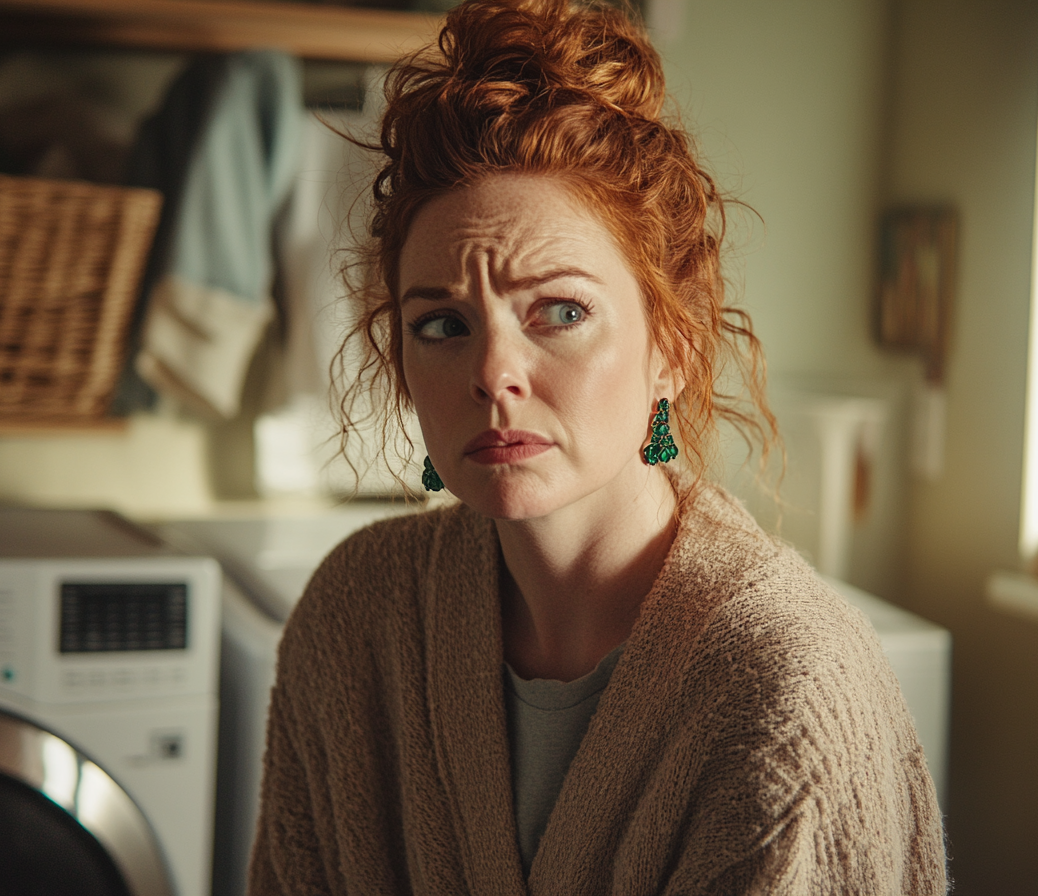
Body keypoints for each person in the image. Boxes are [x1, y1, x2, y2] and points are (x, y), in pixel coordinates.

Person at [248, 0, 948, 892]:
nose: (494, 371)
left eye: (561, 312)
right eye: (442, 324)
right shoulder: (354, 617)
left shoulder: (784, 688)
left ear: (673, 349)